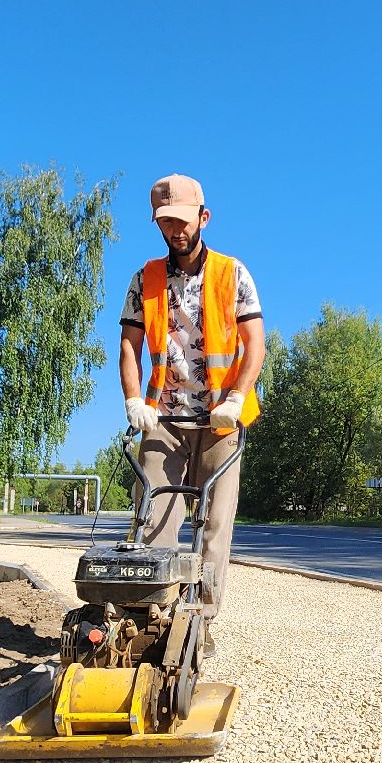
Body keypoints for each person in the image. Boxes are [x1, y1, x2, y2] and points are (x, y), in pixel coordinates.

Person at [119, 174, 265, 653]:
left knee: (214, 526)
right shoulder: (145, 279)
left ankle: (200, 623)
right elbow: (129, 345)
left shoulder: (232, 273)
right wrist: (133, 400)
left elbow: (254, 344)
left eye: (183, 221)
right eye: (166, 222)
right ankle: (152, 617)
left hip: (221, 422)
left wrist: (237, 398)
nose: (176, 230)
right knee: (154, 520)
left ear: (203, 217)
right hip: (164, 420)